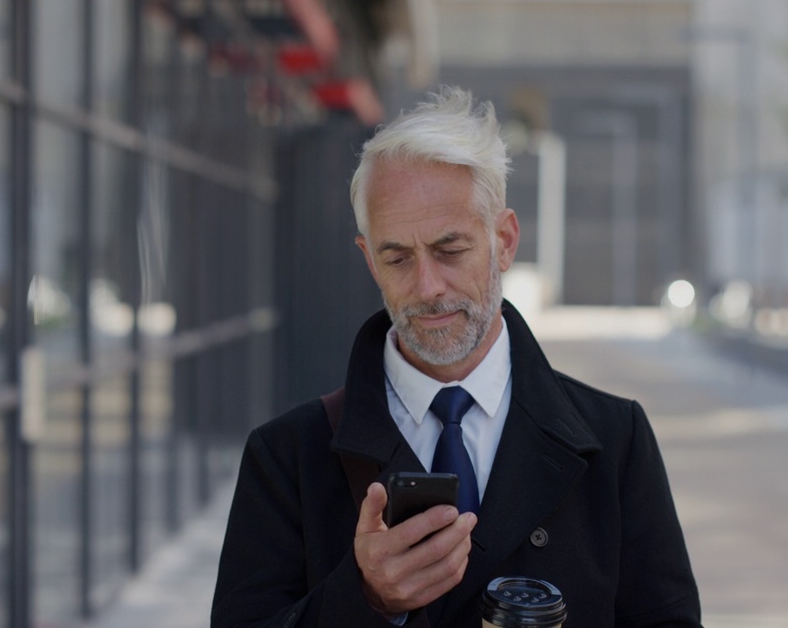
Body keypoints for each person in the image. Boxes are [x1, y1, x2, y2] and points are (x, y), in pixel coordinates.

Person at [211, 87, 700, 627]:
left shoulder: (616, 441)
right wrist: (364, 598)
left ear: (505, 241)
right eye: (396, 257)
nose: (428, 286)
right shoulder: (286, 456)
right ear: (369, 261)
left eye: (451, 250)